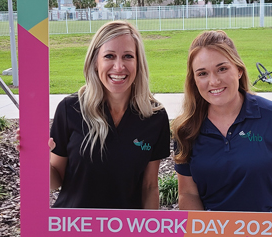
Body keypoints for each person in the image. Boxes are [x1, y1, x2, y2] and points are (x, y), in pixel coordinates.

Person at [171, 30, 272, 212]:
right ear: (194, 80)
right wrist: (201, 235)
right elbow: (188, 193)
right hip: (211, 233)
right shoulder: (186, 129)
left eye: (222, 69)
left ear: (238, 70)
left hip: (265, 232)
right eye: (202, 73)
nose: (213, 81)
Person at [19, 21, 171, 209]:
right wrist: (36, 157)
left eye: (128, 56)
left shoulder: (154, 116)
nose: (118, 66)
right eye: (109, 56)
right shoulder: (70, 109)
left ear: (138, 63)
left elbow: (149, 187)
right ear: (95, 63)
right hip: (74, 228)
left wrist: (149, 234)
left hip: (126, 232)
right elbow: (55, 182)